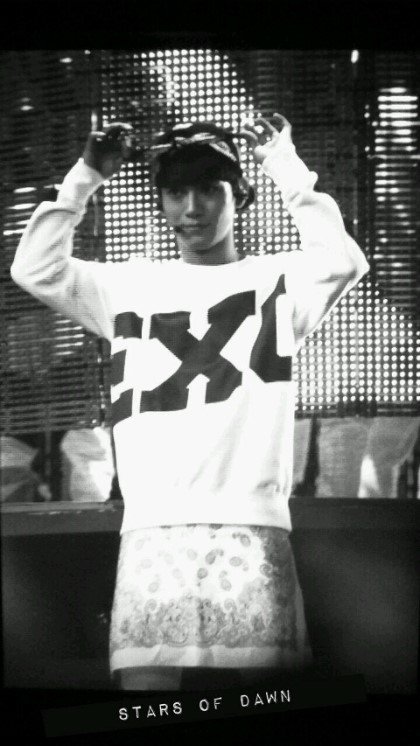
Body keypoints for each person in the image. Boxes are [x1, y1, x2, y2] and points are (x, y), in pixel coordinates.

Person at [11, 112, 369, 691]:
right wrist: (85, 176)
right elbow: (34, 268)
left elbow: (344, 262)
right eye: (176, 192)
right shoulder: (127, 286)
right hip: (153, 526)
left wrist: (286, 167)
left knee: (259, 703)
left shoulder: (279, 282)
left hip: (249, 523)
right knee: (145, 702)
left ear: (239, 195)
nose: (192, 208)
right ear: (161, 201)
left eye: (209, 189)